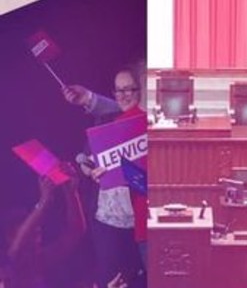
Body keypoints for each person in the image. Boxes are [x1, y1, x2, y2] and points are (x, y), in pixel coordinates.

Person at [62, 67, 145, 288]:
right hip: (107, 219)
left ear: (140, 90)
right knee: (111, 279)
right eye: (118, 90)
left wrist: (88, 98)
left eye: (129, 89)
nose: (123, 95)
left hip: (139, 220)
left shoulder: (146, 122)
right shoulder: (108, 120)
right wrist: (90, 171)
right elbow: (85, 160)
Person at [2, 165, 86, 288]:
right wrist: (44, 201)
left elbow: (75, 231)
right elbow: (19, 243)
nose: (37, 229)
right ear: (9, 236)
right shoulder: (8, 264)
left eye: (36, 226)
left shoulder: (38, 260)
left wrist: (71, 193)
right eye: (32, 227)